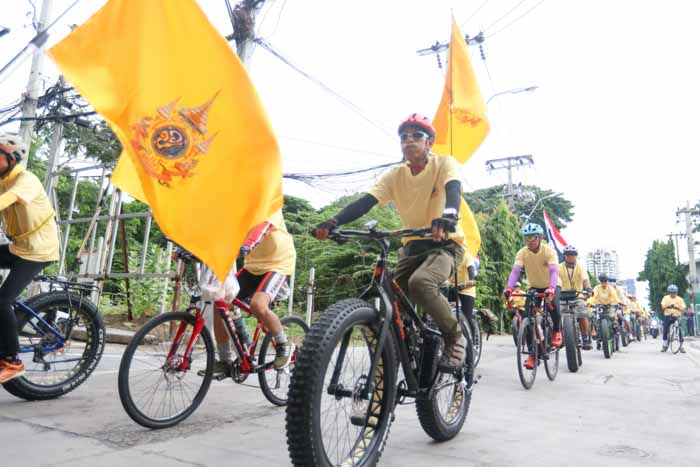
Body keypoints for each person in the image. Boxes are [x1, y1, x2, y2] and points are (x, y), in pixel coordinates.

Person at [314, 113, 467, 370]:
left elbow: (453, 190)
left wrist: (448, 217)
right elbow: (365, 202)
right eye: (404, 137)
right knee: (390, 296)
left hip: (445, 244)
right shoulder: (394, 175)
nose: (409, 140)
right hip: (412, 247)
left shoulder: (443, 164)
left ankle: (454, 336)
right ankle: (404, 342)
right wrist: (333, 222)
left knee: (421, 283)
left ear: (429, 142)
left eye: (417, 135)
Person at [0, 133, 59, 383]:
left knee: (2, 301)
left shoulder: (26, 180)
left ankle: (12, 361)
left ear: (12, 159)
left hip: (38, 251)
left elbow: (7, 200)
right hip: (18, 247)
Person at [211, 209, 297, 372]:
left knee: (258, 305)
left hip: (278, 263)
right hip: (253, 265)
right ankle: (225, 361)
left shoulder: (269, 202)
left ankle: (283, 344)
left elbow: (263, 227)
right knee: (220, 304)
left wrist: (247, 245)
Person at [504, 223, 562, 370]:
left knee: (554, 304)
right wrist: (509, 288)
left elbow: (554, 271)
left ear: (540, 237)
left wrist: (551, 288)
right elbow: (515, 272)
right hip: (534, 287)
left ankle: (556, 331)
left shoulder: (549, 251)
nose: (529, 241)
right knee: (527, 319)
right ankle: (532, 354)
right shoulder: (522, 253)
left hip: (552, 285)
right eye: (526, 238)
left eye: (532, 237)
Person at [558, 245, 594, 349]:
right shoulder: (559, 267)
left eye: (573, 255)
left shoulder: (580, 267)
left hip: (577, 296)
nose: (570, 257)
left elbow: (585, 279)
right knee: (555, 315)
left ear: (576, 256)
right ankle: (559, 336)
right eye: (568, 255)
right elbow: (554, 280)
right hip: (562, 296)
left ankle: (585, 338)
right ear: (564, 256)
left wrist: (588, 289)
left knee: (582, 313)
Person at [590, 273, 620, 350]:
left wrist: (618, 302)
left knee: (613, 317)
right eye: (602, 281)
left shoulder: (610, 288)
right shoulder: (596, 288)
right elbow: (593, 296)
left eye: (605, 281)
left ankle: (615, 330)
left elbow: (614, 296)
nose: (603, 283)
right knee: (596, 320)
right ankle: (598, 338)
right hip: (599, 306)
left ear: (607, 281)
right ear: (600, 281)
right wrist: (590, 303)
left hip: (609, 305)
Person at [660, 284, 686, 353]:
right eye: (672, 293)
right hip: (668, 316)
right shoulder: (665, 298)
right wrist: (668, 306)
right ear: (669, 292)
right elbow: (662, 307)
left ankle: (681, 346)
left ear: (676, 292)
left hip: (676, 316)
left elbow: (683, 308)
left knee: (680, 331)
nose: (673, 294)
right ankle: (664, 345)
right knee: (665, 329)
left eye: (674, 292)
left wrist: (679, 308)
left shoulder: (680, 299)